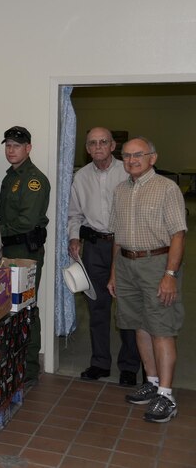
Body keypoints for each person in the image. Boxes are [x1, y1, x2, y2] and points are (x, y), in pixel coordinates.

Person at [109, 137, 186, 423]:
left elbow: (178, 234)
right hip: (127, 264)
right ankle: (152, 383)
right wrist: (114, 272)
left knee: (161, 327)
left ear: (152, 158)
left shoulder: (167, 189)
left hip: (157, 264)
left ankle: (166, 395)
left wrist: (170, 275)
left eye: (138, 155)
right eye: (126, 156)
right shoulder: (120, 190)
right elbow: (116, 237)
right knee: (140, 326)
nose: (131, 160)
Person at [68, 127, 140, 385]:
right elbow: (74, 213)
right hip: (95, 247)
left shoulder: (127, 172)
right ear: (87, 149)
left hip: (125, 246)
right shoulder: (81, 176)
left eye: (103, 142)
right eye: (93, 143)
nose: (98, 147)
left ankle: (130, 366)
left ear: (112, 146)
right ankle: (100, 362)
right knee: (96, 306)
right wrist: (74, 237)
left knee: (127, 307)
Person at [0, 126, 50, 386]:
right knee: (6, 307)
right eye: (8, 145)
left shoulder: (34, 180)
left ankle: (29, 367)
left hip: (24, 251)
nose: (11, 150)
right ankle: (11, 361)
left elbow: (25, 222)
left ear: (28, 148)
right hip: (5, 250)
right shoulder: (10, 177)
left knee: (26, 308)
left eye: (16, 145)